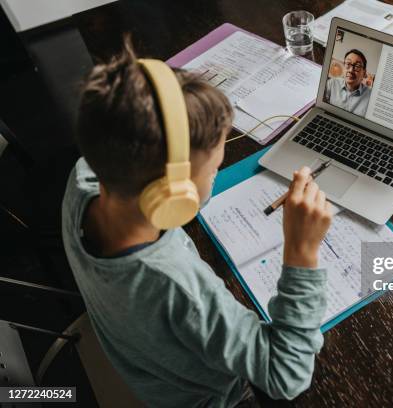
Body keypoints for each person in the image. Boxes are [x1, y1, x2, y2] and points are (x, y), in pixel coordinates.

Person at [62, 39, 333, 407]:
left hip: (143, 363)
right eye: (214, 168)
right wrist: (302, 252)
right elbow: (285, 376)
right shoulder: (178, 289)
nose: (215, 174)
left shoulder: (83, 180)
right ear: (172, 194)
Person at [324, 49, 372, 116]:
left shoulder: (371, 96)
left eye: (357, 66)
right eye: (348, 64)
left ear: (364, 73)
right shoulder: (332, 83)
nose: (351, 70)